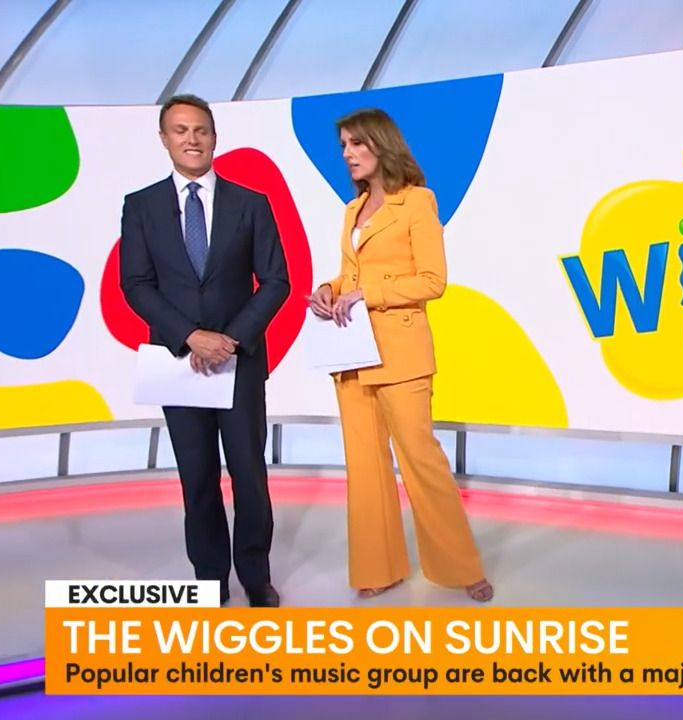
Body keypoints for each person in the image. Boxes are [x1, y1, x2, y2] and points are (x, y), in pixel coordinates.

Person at [307, 108, 493, 603]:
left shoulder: (417, 202)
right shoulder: (353, 209)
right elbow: (351, 274)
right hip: (351, 352)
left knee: (420, 459)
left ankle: (460, 567)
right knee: (364, 466)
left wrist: (367, 294)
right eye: (343, 146)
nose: (347, 154)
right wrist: (329, 289)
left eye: (356, 144)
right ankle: (378, 567)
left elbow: (432, 281)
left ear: (381, 143)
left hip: (400, 353)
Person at [120, 94, 290, 608]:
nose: (191, 139)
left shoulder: (251, 202)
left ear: (214, 137)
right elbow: (136, 284)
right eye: (180, 130)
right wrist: (190, 336)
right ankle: (210, 578)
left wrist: (229, 341)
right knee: (197, 477)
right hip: (178, 364)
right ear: (164, 139)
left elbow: (276, 280)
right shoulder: (141, 206)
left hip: (240, 364)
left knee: (249, 475)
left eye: (200, 130)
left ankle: (256, 576)